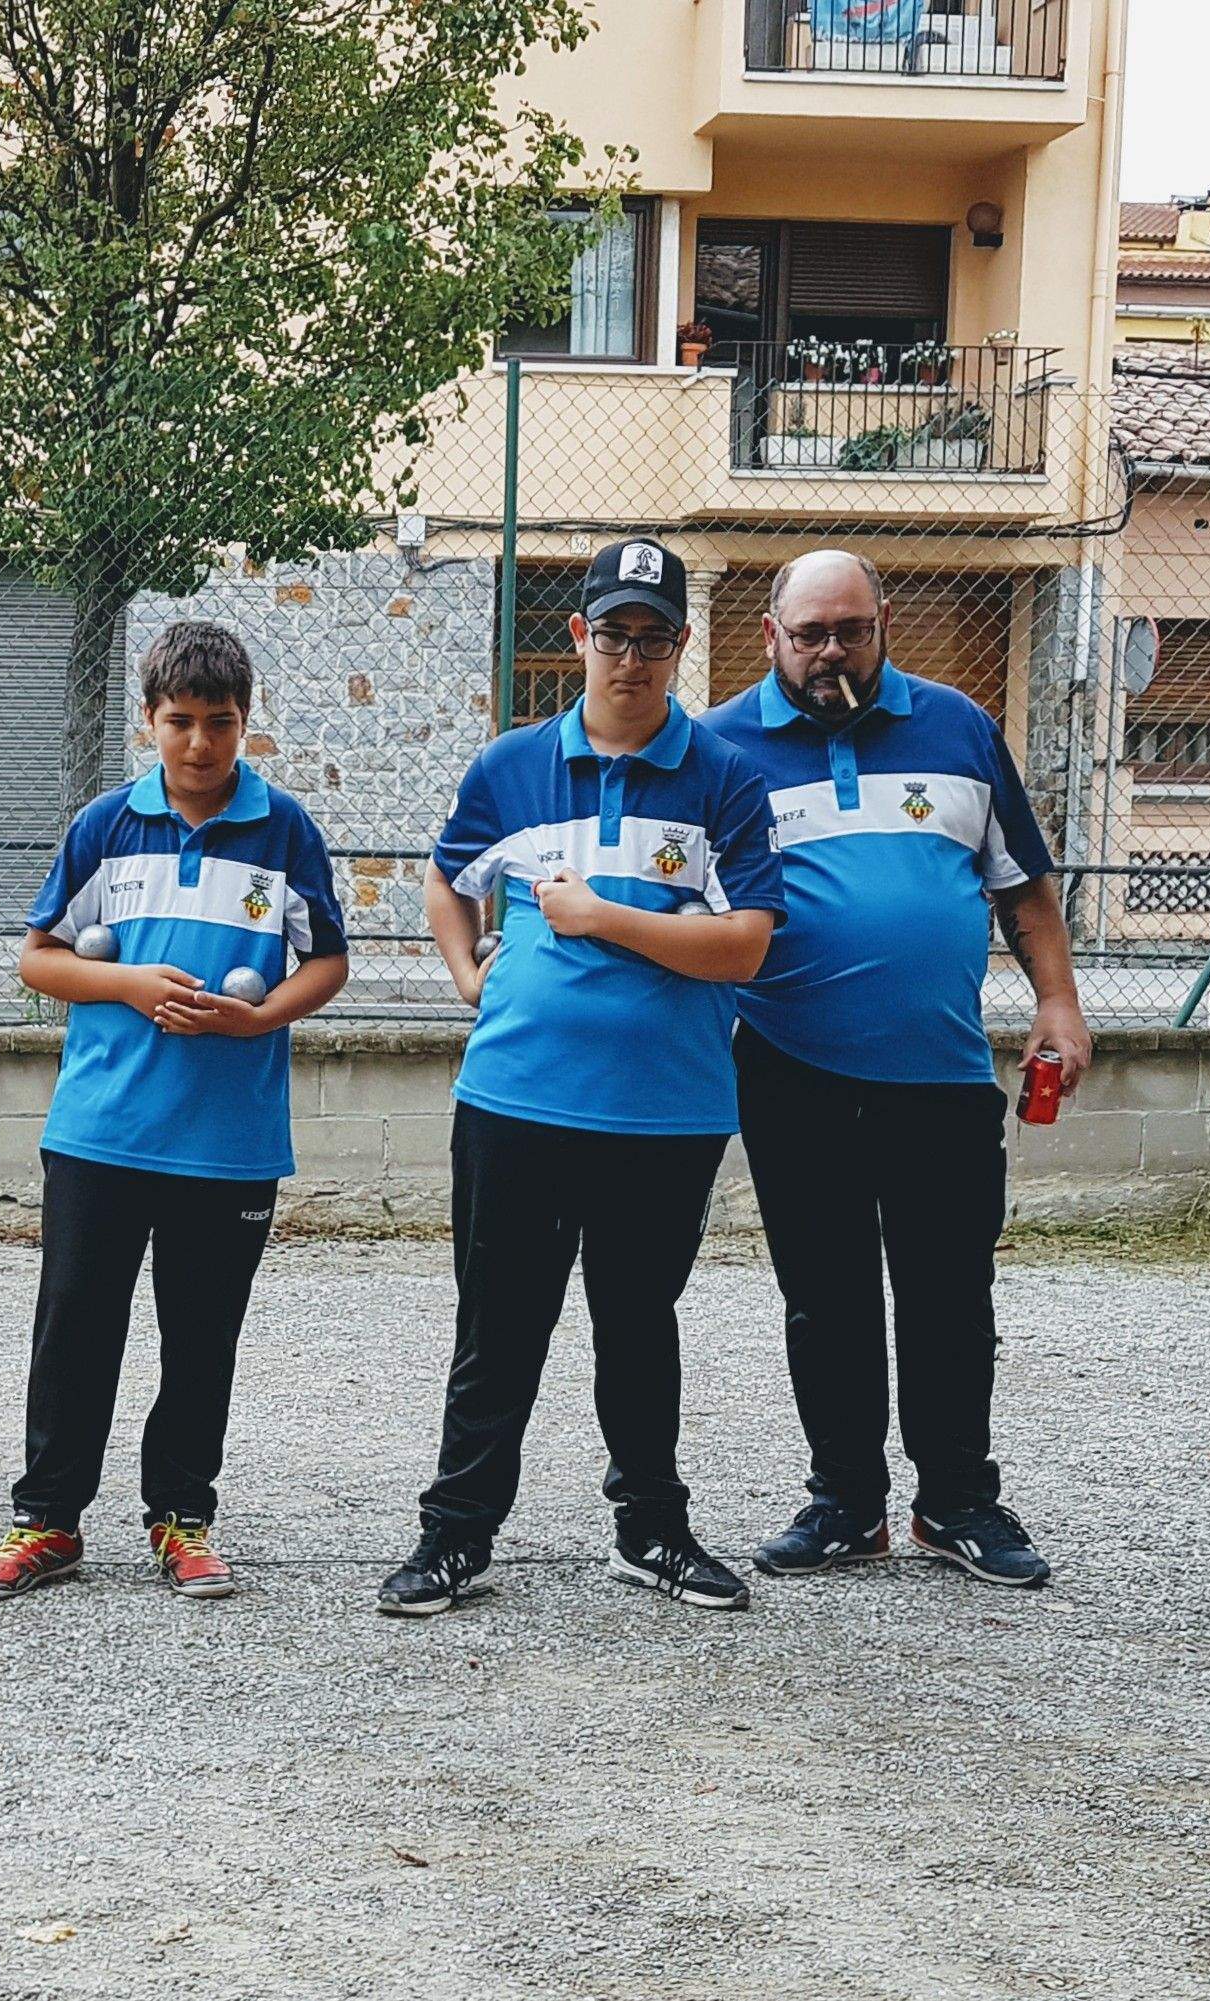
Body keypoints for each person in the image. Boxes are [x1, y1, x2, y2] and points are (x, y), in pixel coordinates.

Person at [375, 538, 786, 1620]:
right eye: (613, 635)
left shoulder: (726, 780)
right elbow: (444, 877)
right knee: (498, 1327)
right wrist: (470, 974)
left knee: (637, 1324)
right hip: (516, 1100)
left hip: (665, 1111)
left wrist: (601, 917)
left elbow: (746, 945)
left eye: (654, 640)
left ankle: (648, 1529)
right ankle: (455, 1535)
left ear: (683, 648)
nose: (632, 660)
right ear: (579, 639)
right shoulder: (510, 766)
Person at [702, 549, 1091, 1589]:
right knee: (822, 1296)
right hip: (791, 1067)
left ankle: (957, 1501)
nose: (831, 651)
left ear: (884, 627)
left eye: (852, 630)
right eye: (809, 633)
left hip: (943, 1073)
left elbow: (1023, 887)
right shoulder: (720, 751)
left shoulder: (959, 729)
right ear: (769, 637)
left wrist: (1057, 1001)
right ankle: (846, 1503)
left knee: (950, 1296)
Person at [0, 621, 350, 1602]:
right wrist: (128, 983)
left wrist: (253, 1017)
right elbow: (37, 958)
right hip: (102, 1132)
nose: (198, 744)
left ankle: (182, 1517)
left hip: (228, 1144)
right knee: (75, 1332)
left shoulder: (285, 831)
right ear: (147, 720)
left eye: (219, 723)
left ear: (245, 723)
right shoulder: (104, 826)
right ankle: (48, 1520)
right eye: (178, 722)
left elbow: (329, 963)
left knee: (200, 1337)